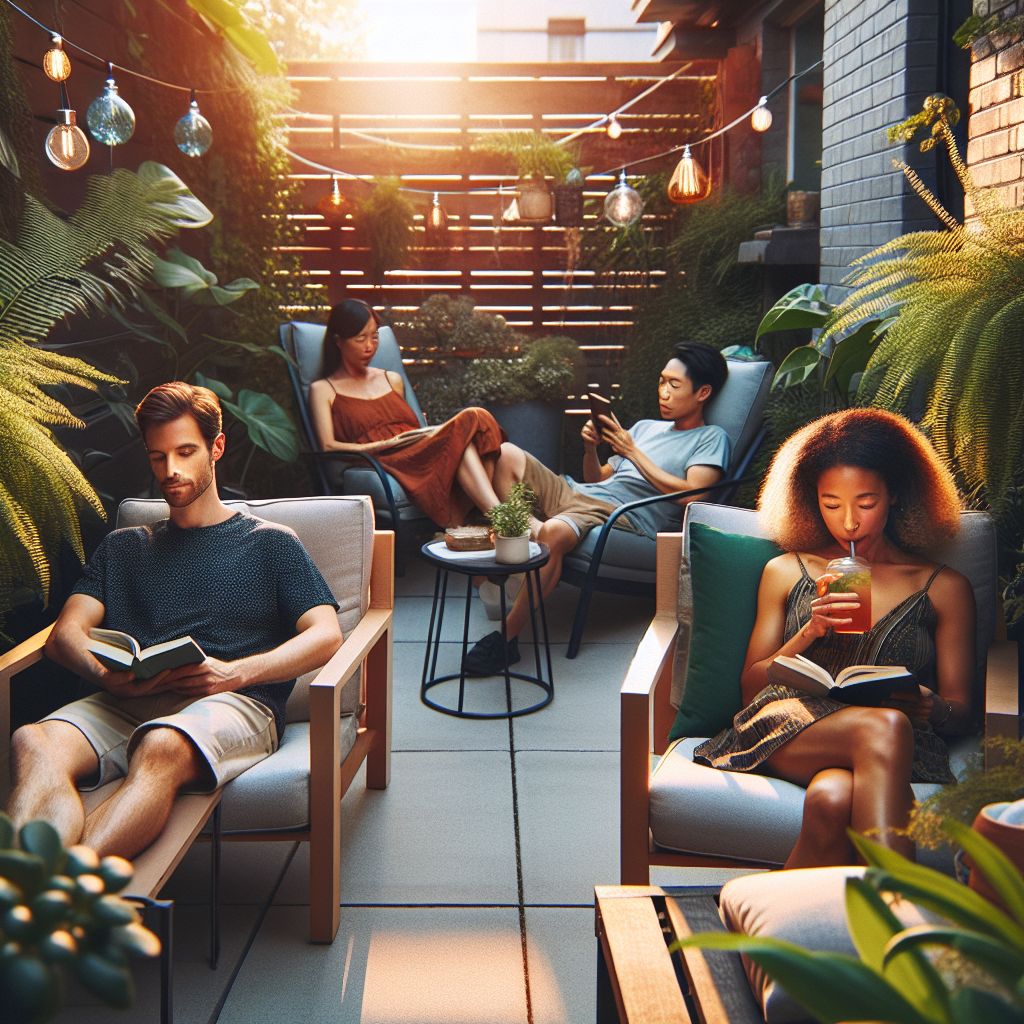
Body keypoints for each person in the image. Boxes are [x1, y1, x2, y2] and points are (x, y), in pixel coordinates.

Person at [7, 382, 342, 859]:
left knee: (162, 744)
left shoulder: (271, 543)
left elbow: (326, 633)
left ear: (216, 448)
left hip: (230, 701)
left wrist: (237, 672)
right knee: (33, 741)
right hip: (126, 701)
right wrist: (106, 676)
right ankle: (22, 886)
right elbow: (66, 635)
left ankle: (68, 892)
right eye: (158, 456)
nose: (171, 470)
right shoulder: (126, 546)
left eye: (185, 452)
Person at [693, 408, 975, 867]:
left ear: (897, 496)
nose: (848, 523)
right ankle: (900, 909)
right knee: (882, 727)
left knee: (830, 800)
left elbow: (963, 712)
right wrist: (809, 630)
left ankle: (759, 923)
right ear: (811, 501)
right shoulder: (786, 570)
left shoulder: (943, 586)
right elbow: (751, 688)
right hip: (787, 726)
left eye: (866, 504)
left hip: (898, 741)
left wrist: (933, 706)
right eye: (831, 504)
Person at [463, 342, 732, 676]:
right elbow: (599, 476)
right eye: (662, 381)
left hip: (619, 513)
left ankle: (507, 637)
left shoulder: (711, 438)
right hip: (581, 492)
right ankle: (528, 533)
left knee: (555, 533)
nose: (663, 392)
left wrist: (633, 453)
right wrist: (591, 449)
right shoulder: (647, 427)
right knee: (505, 454)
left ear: (703, 392)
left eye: (674, 385)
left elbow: (695, 495)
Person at [308, 299, 506, 528]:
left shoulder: (392, 379)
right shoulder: (323, 389)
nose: (370, 346)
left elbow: (412, 427)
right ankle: (497, 520)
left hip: (418, 446)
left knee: (479, 420)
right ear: (338, 341)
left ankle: (465, 520)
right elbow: (327, 446)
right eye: (360, 338)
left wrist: (422, 435)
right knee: (473, 416)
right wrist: (377, 446)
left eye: (375, 337)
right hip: (388, 458)